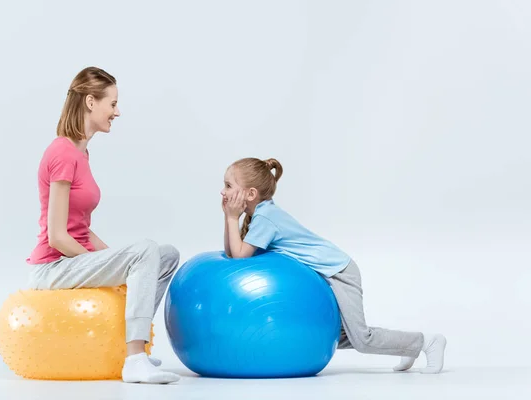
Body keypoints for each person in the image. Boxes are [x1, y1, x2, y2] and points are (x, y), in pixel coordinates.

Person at [220, 157, 447, 374]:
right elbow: (233, 254)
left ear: (250, 194)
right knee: (334, 334)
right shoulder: (263, 214)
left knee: (362, 339)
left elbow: (240, 257)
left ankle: (427, 342)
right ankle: (407, 345)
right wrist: (228, 218)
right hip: (328, 273)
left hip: (340, 272)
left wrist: (232, 218)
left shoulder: (266, 217)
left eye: (228, 185)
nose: (223, 191)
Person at [26, 66, 180, 384]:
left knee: (165, 255)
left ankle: (134, 346)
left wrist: (118, 260)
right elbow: (57, 236)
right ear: (91, 102)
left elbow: (81, 226)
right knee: (145, 250)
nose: (117, 112)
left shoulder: (82, 154)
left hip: (72, 259)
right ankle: (135, 358)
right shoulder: (63, 153)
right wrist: (114, 263)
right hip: (53, 268)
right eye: (112, 104)